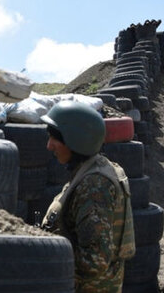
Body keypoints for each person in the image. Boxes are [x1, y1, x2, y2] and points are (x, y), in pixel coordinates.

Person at [40, 101, 135, 292]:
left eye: (55, 138)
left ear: (76, 140)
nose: (49, 146)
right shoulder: (92, 169)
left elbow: (95, 261)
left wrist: (44, 261)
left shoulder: (94, 187)